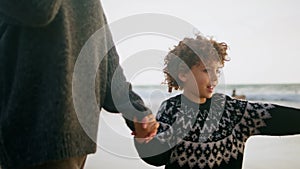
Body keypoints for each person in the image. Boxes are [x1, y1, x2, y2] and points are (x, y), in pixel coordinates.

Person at [0, 0, 158, 169]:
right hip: (56, 138)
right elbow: (109, 65)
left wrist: (136, 111)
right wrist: (136, 111)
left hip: (40, 135)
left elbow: (40, 10)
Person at [133, 35, 300, 169]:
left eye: (217, 71)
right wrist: (141, 138)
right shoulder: (171, 109)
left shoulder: (233, 111)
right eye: (206, 70)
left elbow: (281, 118)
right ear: (183, 74)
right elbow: (156, 157)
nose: (214, 78)